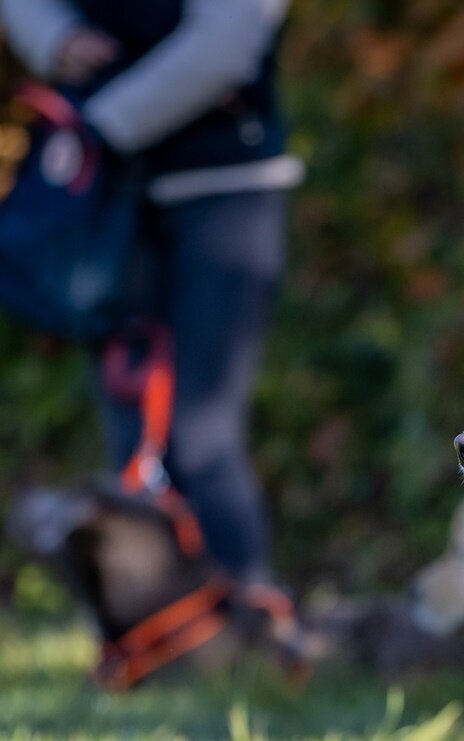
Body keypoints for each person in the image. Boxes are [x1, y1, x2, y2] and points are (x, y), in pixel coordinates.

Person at [0, 0, 300, 590]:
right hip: (105, 201)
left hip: (221, 186)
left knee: (202, 430)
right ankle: (153, 629)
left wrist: (103, 124)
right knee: (127, 423)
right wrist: (57, 39)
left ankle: (247, 620)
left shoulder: (113, 127)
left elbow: (229, 44)